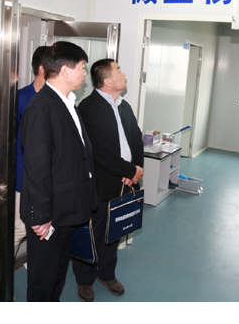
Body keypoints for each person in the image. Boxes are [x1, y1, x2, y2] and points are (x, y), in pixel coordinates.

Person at [20, 42, 96, 303]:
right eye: (82, 67)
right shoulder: (41, 108)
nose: (85, 73)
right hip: (49, 215)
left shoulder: (67, 102)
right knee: (43, 278)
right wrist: (41, 216)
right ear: (65, 70)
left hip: (66, 208)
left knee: (58, 272)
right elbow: (37, 168)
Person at [72, 59, 144, 301]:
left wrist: (136, 170)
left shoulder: (124, 106)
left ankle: (107, 274)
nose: (124, 74)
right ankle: (84, 280)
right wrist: (129, 170)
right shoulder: (88, 108)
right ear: (107, 81)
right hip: (100, 184)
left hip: (124, 182)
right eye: (119, 71)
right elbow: (99, 152)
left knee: (114, 231)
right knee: (92, 233)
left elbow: (136, 140)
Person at [15, 47, 47, 258]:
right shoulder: (20, 98)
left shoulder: (62, 100)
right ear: (43, 68)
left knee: (44, 229)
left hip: (49, 180)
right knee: (18, 229)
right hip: (23, 178)